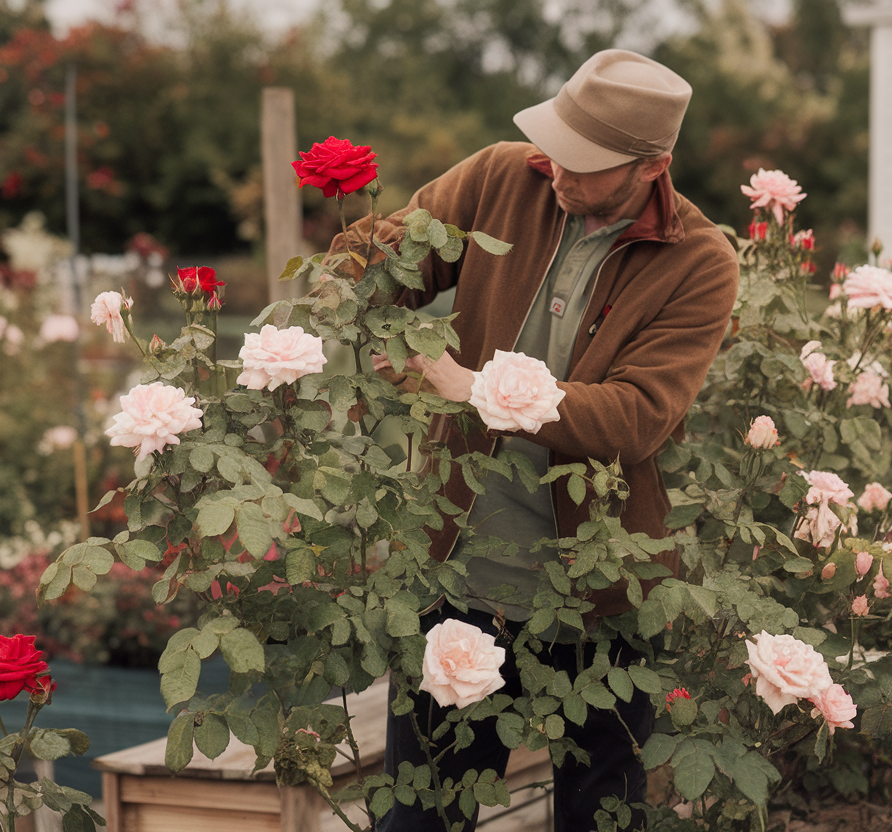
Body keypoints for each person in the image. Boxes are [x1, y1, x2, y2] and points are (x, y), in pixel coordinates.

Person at [332, 48, 738, 832]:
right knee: (420, 819)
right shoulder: (502, 177)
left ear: (653, 166)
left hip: (597, 594)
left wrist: (470, 387)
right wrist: (362, 313)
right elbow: (379, 263)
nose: (555, 169)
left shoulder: (700, 262)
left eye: (583, 164)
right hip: (458, 579)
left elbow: (636, 415)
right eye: (554, 143)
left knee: (599, 816)